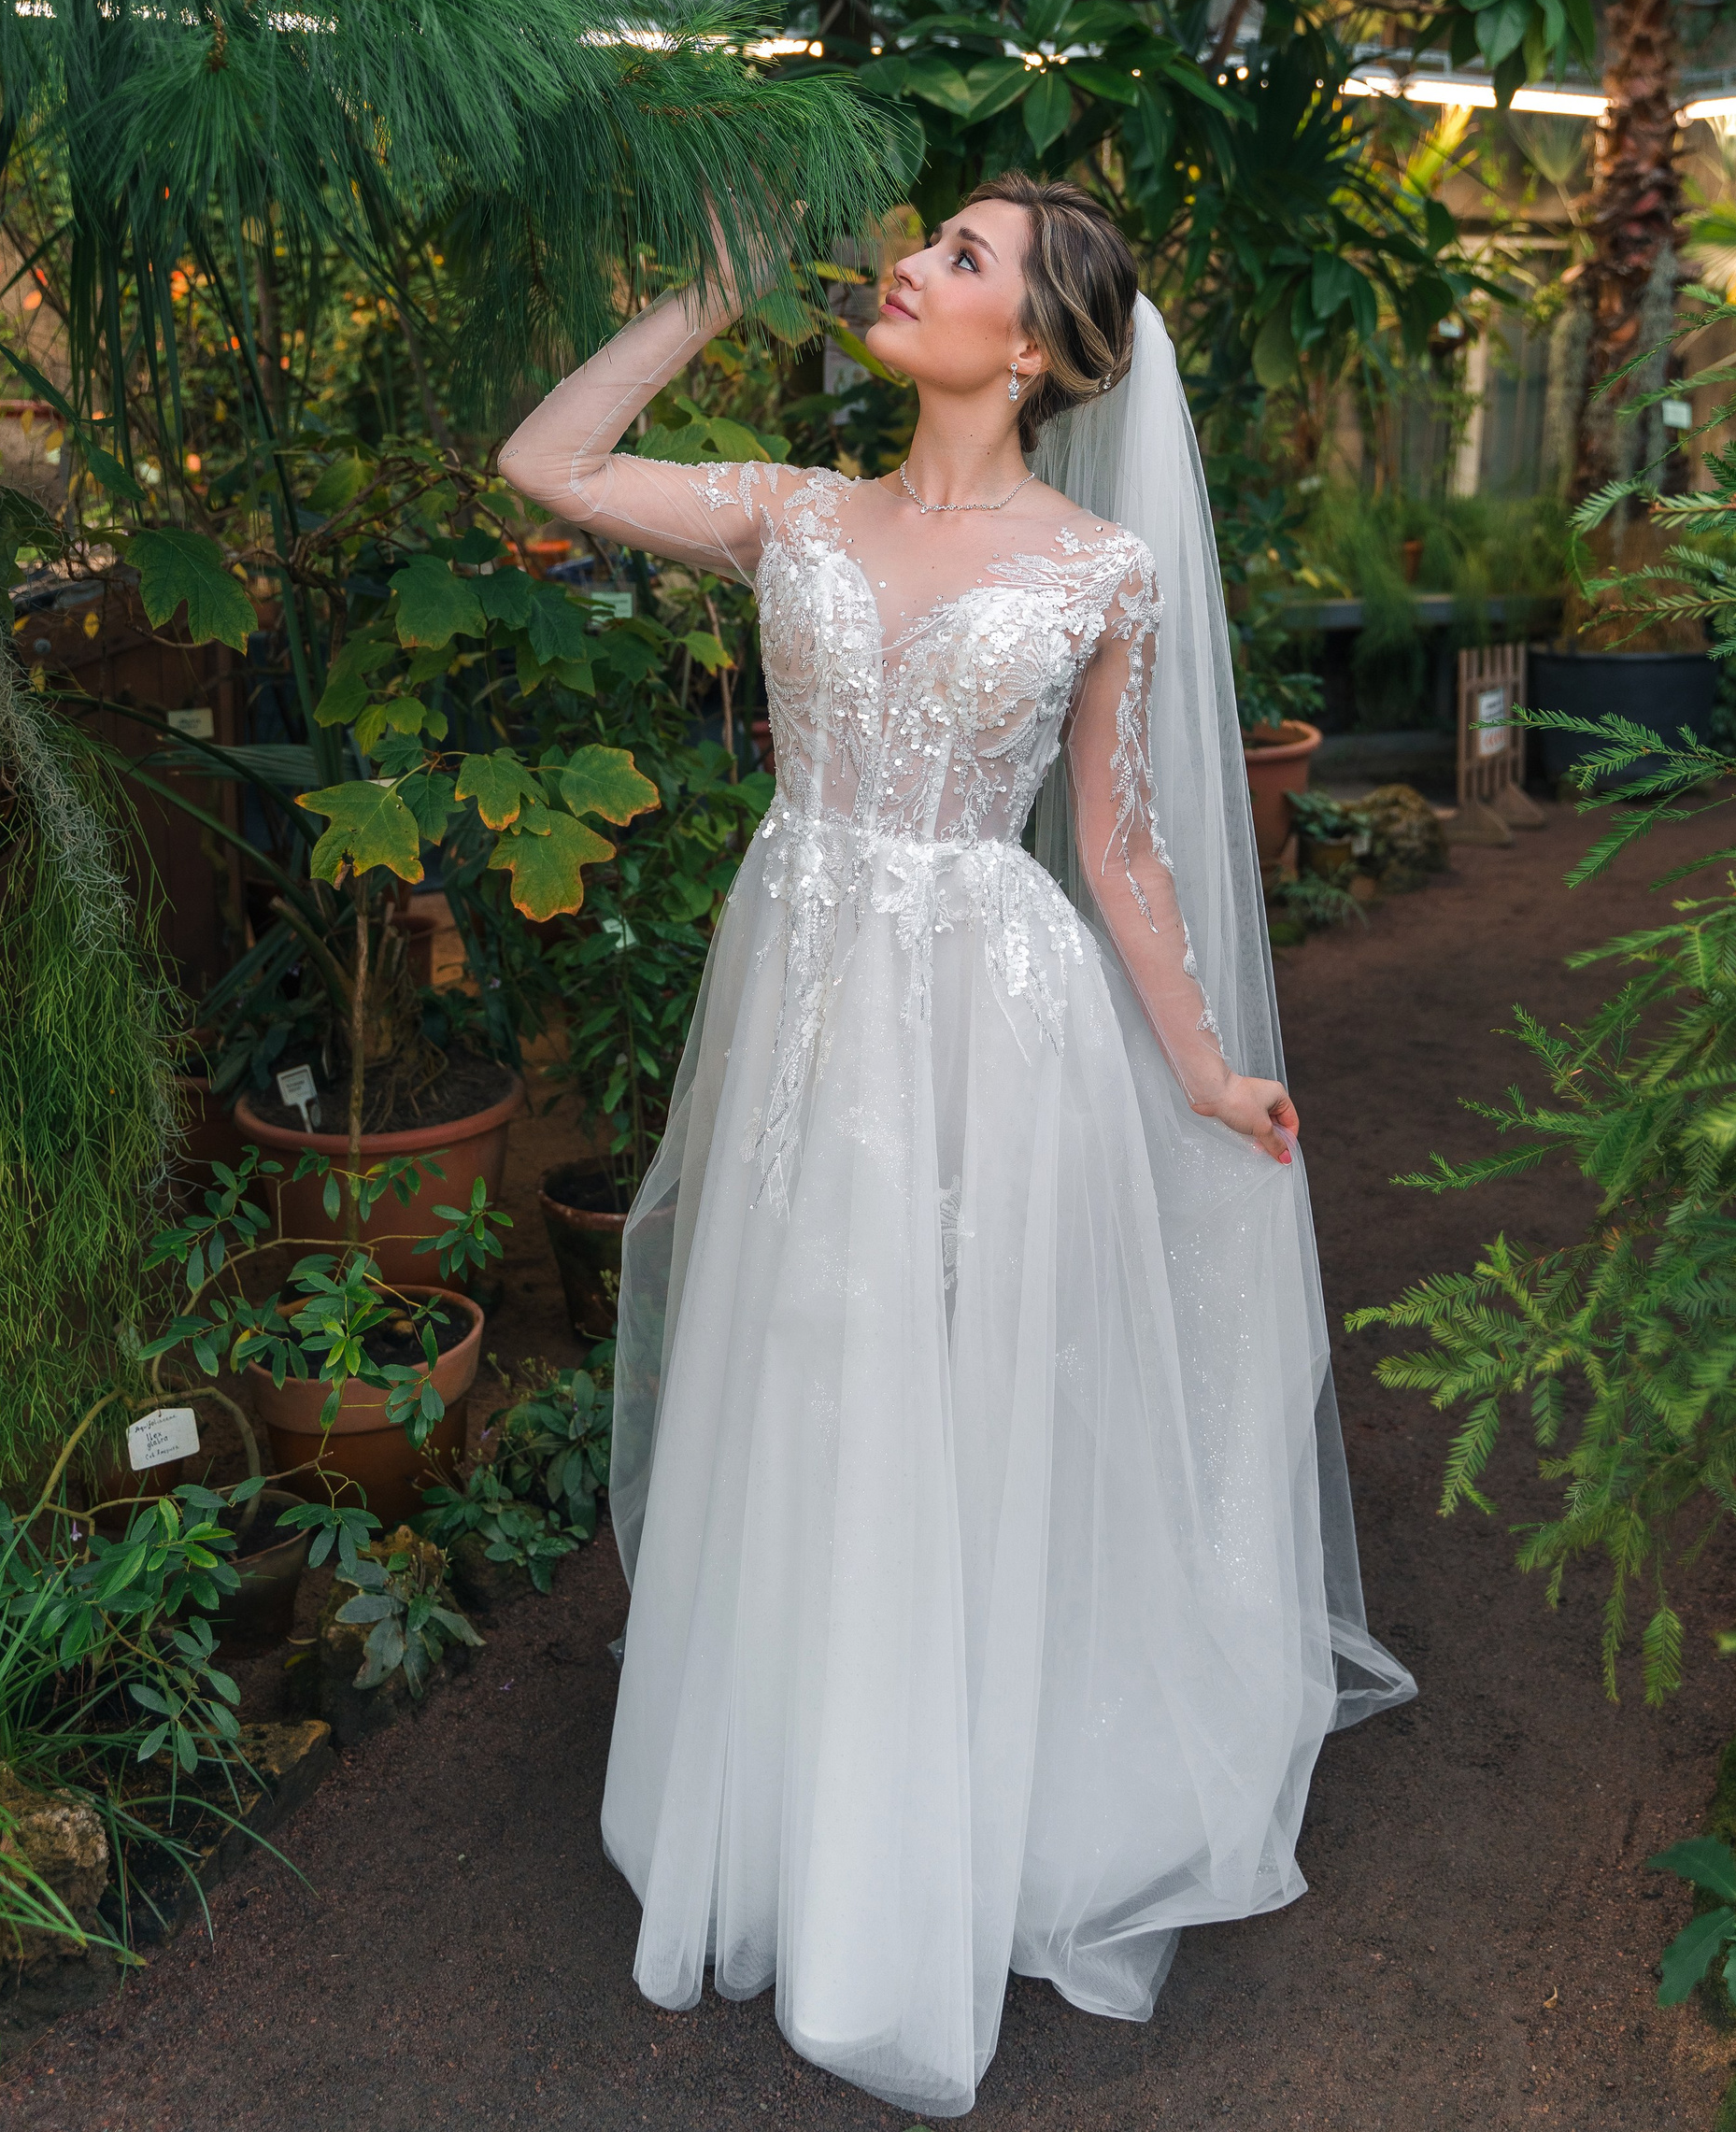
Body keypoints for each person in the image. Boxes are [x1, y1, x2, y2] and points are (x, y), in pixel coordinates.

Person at [497, 173, 1413, 2118]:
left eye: (964, 258)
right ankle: (788, 1812)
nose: (910, 266)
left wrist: (1206, 1070)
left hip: (992, 1030)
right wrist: (710, 290)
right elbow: (547, 462)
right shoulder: (794, 509)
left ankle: (927, 1837)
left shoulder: (1099, 572)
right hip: (809, 1008)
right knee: (803, 1382)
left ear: (1043, 349)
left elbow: (1121, 847)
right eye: (927, 247)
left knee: (953, 1403)